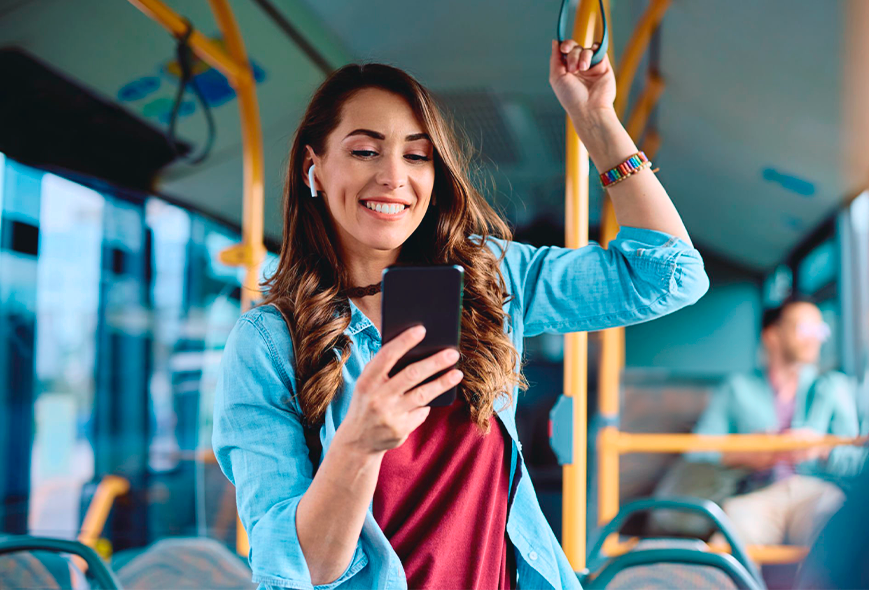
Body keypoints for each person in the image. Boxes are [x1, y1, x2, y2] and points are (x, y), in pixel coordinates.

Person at [212, 39, 709, 590]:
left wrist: (595, 120)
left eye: (416, 155)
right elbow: (297, 572)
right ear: (315, 167)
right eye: (364, 151)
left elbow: (669, 276)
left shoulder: (489, 279)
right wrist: (356, 444)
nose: (393, 177)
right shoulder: (268, 344)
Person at [680, 299, 865, 547]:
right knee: (726, 544)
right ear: (772, 335)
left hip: (815, 492)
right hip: (756, 494)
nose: (816, 338)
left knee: (832, 535)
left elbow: (856, 463)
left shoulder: (833, 387)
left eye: (820, 330)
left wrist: (821, 449)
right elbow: (698, 451)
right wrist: (748, 451)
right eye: (805, 329)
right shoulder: (737, 389)